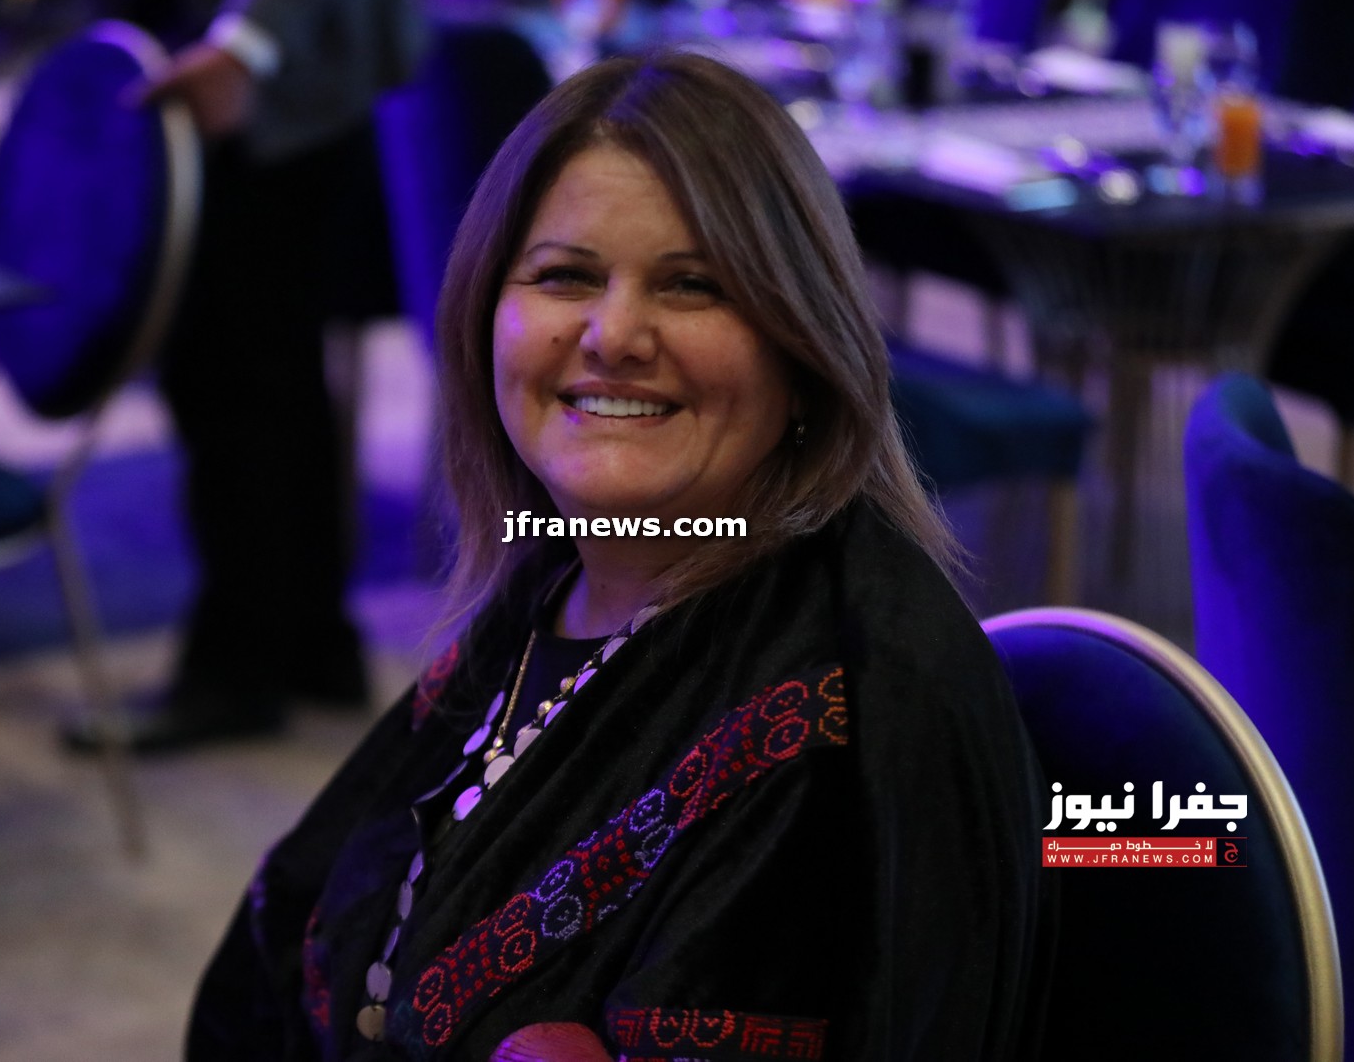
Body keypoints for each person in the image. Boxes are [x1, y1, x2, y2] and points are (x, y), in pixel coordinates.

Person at [187, 51, 1052, 1060]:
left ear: (803, 346)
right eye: (566, 275)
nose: (615, 334)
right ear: (483, 316)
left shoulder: (830, 715)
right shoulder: (555, 580)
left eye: (693, 285)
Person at [64, 0, 427, 753]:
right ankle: (311, 647)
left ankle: (234, 676)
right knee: (278, 376)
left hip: (265, 91)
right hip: (293, 89)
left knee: (232, 387)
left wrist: (247, 46)